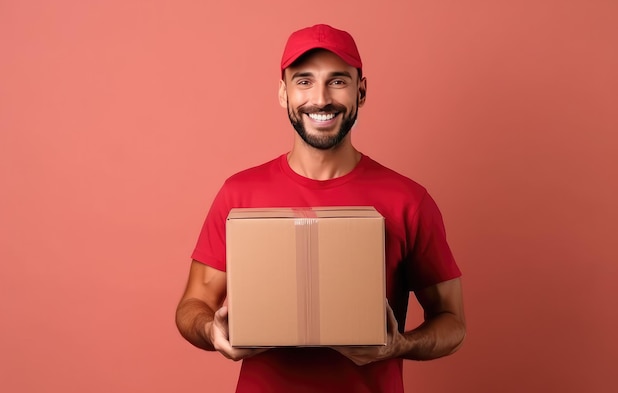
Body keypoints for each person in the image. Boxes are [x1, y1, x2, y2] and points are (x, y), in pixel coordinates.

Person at [175, 24, 466, 393]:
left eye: (338, 81)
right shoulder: (239, 193)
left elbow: (453, 322)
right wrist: (211, 331)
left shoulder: (408, 199)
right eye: (304, 81)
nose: (321, 98)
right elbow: (193, 304)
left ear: (361, 92)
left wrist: (400, 345)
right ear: (284, 93)